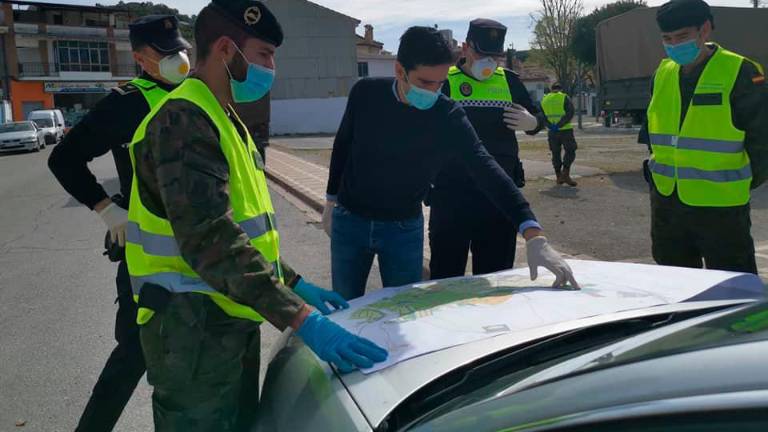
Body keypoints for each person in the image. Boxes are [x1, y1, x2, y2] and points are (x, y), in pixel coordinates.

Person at [125, 1, 387, 429]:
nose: (271, 66)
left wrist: (296, 283)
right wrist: (302, 318)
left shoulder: (225, 116)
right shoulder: (183, 120)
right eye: (264, 54)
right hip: (191, 329)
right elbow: (210, 239)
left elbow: (245, 228)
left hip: (226, 315)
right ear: (227, 50)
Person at [322, 26, 579, 301]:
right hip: (351, 222)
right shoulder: (366, 94)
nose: (433, 92)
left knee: (403, 312)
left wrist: (533, 233)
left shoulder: (447, 114)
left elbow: (485, 166)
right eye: (424, 83)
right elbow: (343, 145)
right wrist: (330, 201)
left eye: (440, 83)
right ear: (400, 71)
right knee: (345, 305)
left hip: (403, 230)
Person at [47, 15, 191, 431]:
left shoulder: (199, 93)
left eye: (179, 49)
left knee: (195, 355)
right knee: (132, 354)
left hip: (202, 247)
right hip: (147, 256)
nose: (177, 59)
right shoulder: (124, 103)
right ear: (141, 58)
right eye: (164, 54)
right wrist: (107, 210)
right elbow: (64, 158)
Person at [639, 0, 768, 274]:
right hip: (667, 204)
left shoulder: (741, 72)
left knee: (732, 287)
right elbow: (651, 134)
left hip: (721, 208)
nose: (674, 45)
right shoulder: (662, 74)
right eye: (667, 39)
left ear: (705, 29)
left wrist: (738, 183)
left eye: (682, 37)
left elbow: (762, 142)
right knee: (674, 286)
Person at [428, 19, 544, 280]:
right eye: (482, 54)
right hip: (451, 195)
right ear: (466, 48)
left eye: (495, 56)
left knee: (496, 278)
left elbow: (537, 116)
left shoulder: (510, 82)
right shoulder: (445, 81)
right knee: (446, 277)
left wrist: (533, 122)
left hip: (498, 197)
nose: (489, 62)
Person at [541, 83, 578, 187]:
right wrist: (560, 124)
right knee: (571, 150)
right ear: (560, 89)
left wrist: (550, 125)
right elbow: (570, 112)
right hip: (565, 130)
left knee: (555, 153)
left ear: (551, 89)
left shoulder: (544, 99)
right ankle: (565, 173)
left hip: (552, 131)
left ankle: (558, 176)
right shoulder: (564, 97)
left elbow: (541, 115)